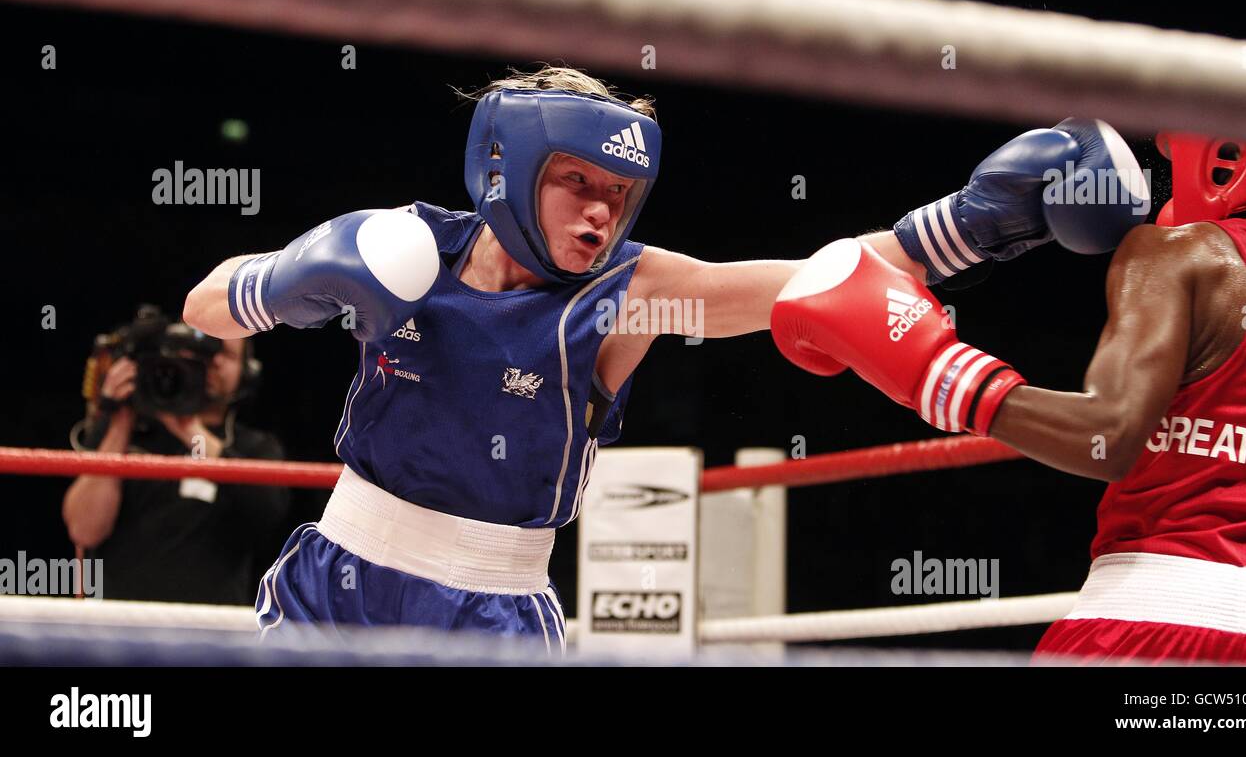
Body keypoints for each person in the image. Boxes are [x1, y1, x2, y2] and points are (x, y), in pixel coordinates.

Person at [183, 64, 1132, 651]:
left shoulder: (629, 296)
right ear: (507, 170)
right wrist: (287, 278)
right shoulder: (402, 249)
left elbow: (806, 282)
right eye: (577, 183)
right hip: (332, 576)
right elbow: (205, 307)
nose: (602, 212)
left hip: (487, 611)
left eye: (621, 192)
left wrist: (973, 224)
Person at [772, 131, 1246, 664]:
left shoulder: (1177, 251)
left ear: (1227, 154)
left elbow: (1106, 437)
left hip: (1150, 615)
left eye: (1173, 147)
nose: (1163, 159)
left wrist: (937, 372)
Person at [64, 309, 292, 605]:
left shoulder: (254, 448)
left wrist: (189, 429)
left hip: (210, 635)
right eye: (203, 349)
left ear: (247, 372)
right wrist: (119, 421)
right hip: (118, 631)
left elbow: (269, 515)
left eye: (223, 352)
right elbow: (84, 530)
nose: (210, 362)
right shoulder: (124, 433)